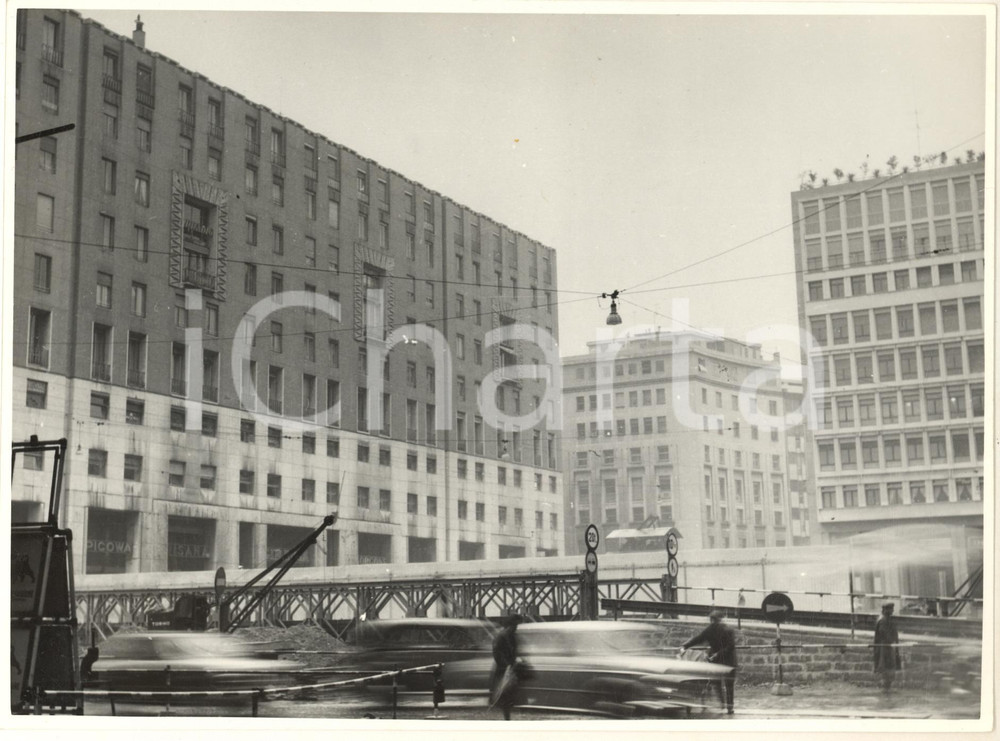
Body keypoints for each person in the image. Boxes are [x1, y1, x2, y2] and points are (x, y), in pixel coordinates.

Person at [679, 609, 738, 714]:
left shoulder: (725, 630)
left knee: (725, 684)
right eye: (713, 620)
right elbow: (699, 639)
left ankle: (728, 706)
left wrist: (717, 654)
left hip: (726, 660)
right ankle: (725, 704)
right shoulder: (715, 630)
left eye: (714, 620)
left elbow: (730, 646)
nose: (713, 622)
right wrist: (685, 645)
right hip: (721, 660)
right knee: (721, 683)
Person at [490, 615, 522, 720]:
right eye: (515, 625)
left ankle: (507, 715)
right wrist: (506, 664)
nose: (516, 627)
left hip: (508, 667)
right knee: (505, 694)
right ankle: (506, 717)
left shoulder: (507, 635)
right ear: (510, 625)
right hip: (504, 669)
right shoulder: (503, 636)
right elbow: (497, 653)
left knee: (506, 694)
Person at [873, 602, 901, 695]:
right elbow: (884, 633)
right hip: (885, 650)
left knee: (889, 670)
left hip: (888, 649)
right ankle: (885, 690)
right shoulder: (883, 621)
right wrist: (892, 642)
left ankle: (887, 689)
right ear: (886, 610)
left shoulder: (886, 619)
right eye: (890, 609)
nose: (892, 611)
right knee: (886, 670)